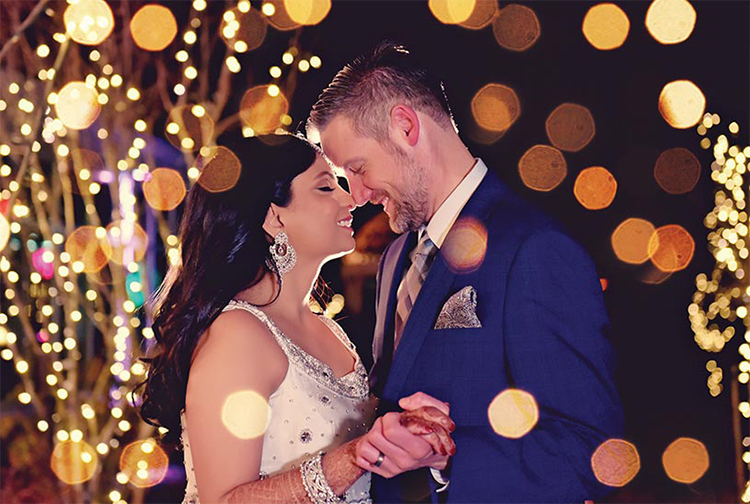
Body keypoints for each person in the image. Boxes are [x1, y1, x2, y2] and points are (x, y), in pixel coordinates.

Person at [307, 41, 624, 503]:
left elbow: (592, 447)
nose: (355, 195)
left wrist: (447, 457)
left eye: (357, 168)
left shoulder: (535, 249)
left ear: (405, 127)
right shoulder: (396, 256)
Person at [136, 133, 456, 504]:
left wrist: (410, 435)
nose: (350, 199)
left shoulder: (327, 328)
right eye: (325, 187)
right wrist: (353, 457)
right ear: (274, 216)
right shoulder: (238, 334)